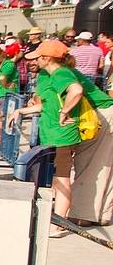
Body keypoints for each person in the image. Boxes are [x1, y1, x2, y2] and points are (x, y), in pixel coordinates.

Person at [10, 40, 113, 224]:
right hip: (94, 114)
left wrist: (64, 111)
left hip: (99, 114)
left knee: (91, 167)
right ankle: (100, 215)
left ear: (47, 58)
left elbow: (76, 91)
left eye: (38, 57)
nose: (33, 62)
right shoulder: (55, 72)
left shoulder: (60, 73)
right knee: (100, 168)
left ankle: (83, 215)